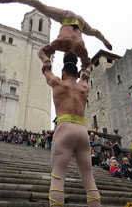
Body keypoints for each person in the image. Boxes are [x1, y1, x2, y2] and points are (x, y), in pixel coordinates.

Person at [41, 51, 100, 206]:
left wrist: (46, 59)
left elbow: (46, 69)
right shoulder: (83, 87)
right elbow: (87, 72)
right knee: (89, 178)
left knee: (58, 176)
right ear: (77, 74)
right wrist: (85, 66)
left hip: (64, 129)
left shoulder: (58, 82)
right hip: (82, 130)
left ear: (63, 73)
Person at [0, 0, 112, 69]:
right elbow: (41, 52)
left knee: (41, 7)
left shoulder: (79, 50)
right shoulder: (63, 45)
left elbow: (87, 65)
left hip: (68, 18)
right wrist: (46, 60)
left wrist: (46, 61)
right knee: (41, 7)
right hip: (75, 22)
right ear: (64, 56)